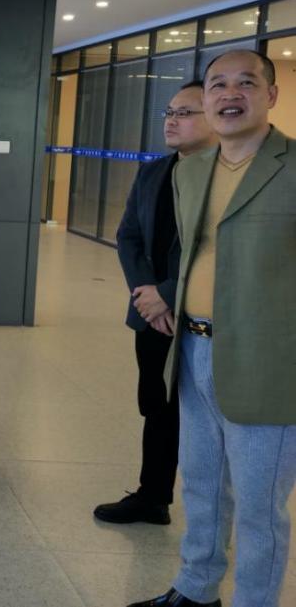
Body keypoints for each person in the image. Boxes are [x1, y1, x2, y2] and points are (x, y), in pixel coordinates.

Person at [130, 49, 296, 607]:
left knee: (258, 507)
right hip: (192, 347)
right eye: (217, 84)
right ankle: (197, 589)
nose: (230, 93)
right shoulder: (192, 170)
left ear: (271, 95)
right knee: (201, 485)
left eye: (246, 82)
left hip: (266, 363)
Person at [94, 81, 217, 526]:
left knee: (204, 415)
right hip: (151, 314)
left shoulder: (224, 176)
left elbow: (212, 245)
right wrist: (147, 293)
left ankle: (210, 514)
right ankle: (153, 496)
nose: (171, 120)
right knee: (156, 403)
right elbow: (128, 235)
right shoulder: (153, 172)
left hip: (202, 313)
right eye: (169, 112)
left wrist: (166, 293)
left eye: (185, 113)